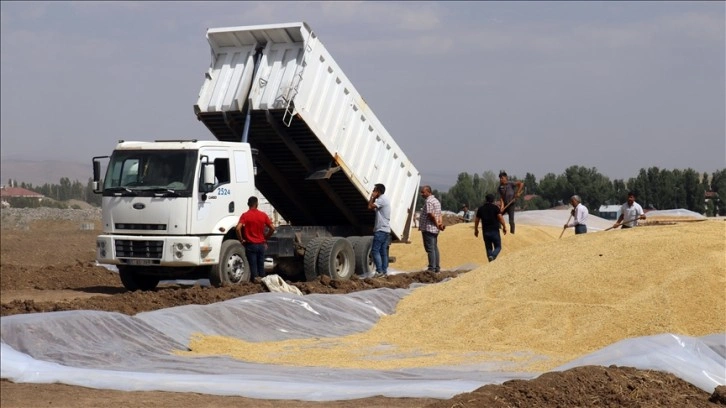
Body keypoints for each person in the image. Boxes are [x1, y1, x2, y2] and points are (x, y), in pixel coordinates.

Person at [235, 196, 275, 279]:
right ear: (257, 204)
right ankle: (263, 283)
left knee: (253, 268)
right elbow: (272, 228)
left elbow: (238, 228)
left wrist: (241, 240)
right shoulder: (263, 215)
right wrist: (266, 238)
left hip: (250, 245)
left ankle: (255, 283)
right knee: (261, 266)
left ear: (248, 204)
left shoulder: (245, 215)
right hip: (261, 245)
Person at [474, 194, 507, 262]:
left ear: (486, 200)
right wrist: (504, 226)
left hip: (485, 232)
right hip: (494, 231)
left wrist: (476, 229)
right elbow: (500, 218)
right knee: (498, 247)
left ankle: (490, 259)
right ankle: (493, 255)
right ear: (493, 200)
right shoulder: (495, 208)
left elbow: (477, 220)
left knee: (488, 248)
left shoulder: (481, 209)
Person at [367, 183, 391, 277]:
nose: (373, 192)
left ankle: (379, 271)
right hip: (386, 230)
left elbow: (369, 207)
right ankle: (384, 271)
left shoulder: (381, 200)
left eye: (374, 190)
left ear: (378, 191)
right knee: (383, 252)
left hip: (381, 230)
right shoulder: (385, 199)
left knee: (375, 250)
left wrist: (372, 197)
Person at [419, 185, 444, 273]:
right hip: (434, 229)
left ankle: (431, 268)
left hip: (429, 228)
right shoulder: (436, 201)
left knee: (430, 248)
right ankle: (436, 267)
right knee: (434, 248)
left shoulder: (429, 201)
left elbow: (431, 215)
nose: (421, 194)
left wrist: (437, 224)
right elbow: (439, 214)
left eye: (423, 192)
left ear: (428, 192)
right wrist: (440, 224)